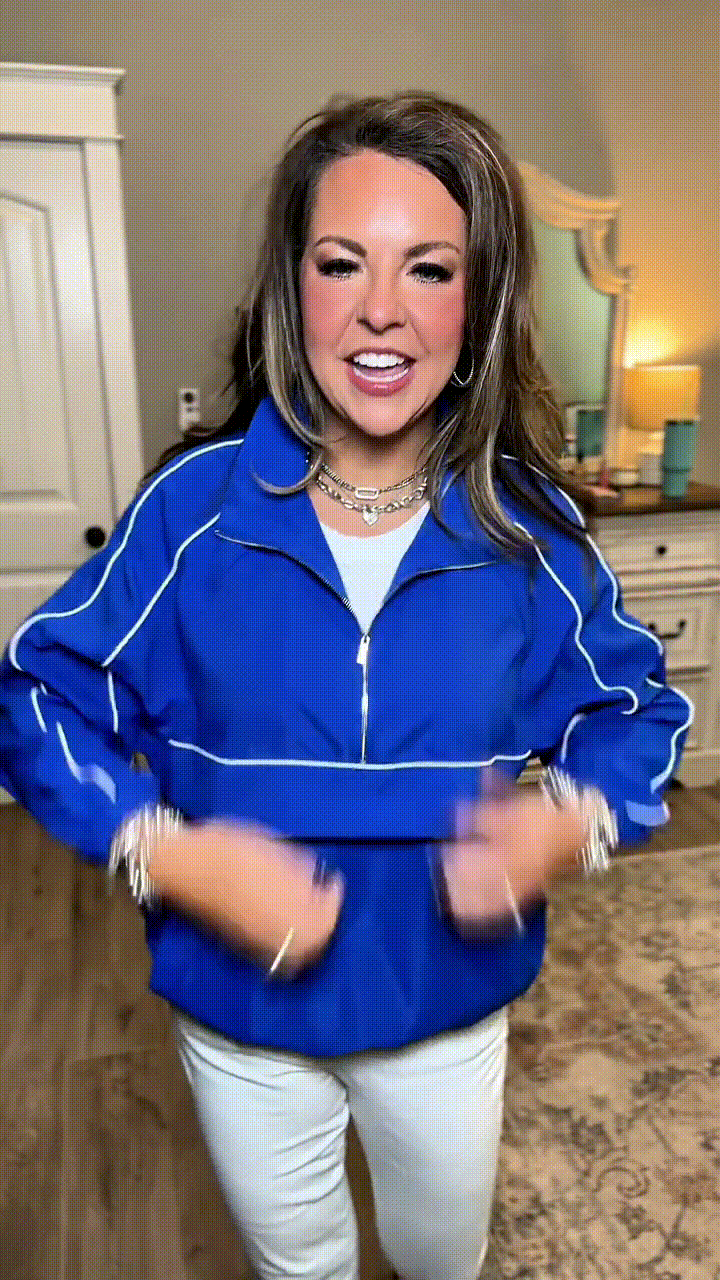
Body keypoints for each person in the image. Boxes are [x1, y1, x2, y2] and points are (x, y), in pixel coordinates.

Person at [0, 91, 692, 1280]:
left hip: (448, 1002)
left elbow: (637, 713)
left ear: (475, 304)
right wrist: (167, 851)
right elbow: (35, 693)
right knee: (301, 1264)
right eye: (341, 263)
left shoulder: (527, 531)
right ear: (293, 287)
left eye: (429, 268)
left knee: (441, 1256)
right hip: (241, 1013)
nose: (382, 308)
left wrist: (567, 820)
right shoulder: (191, 513)